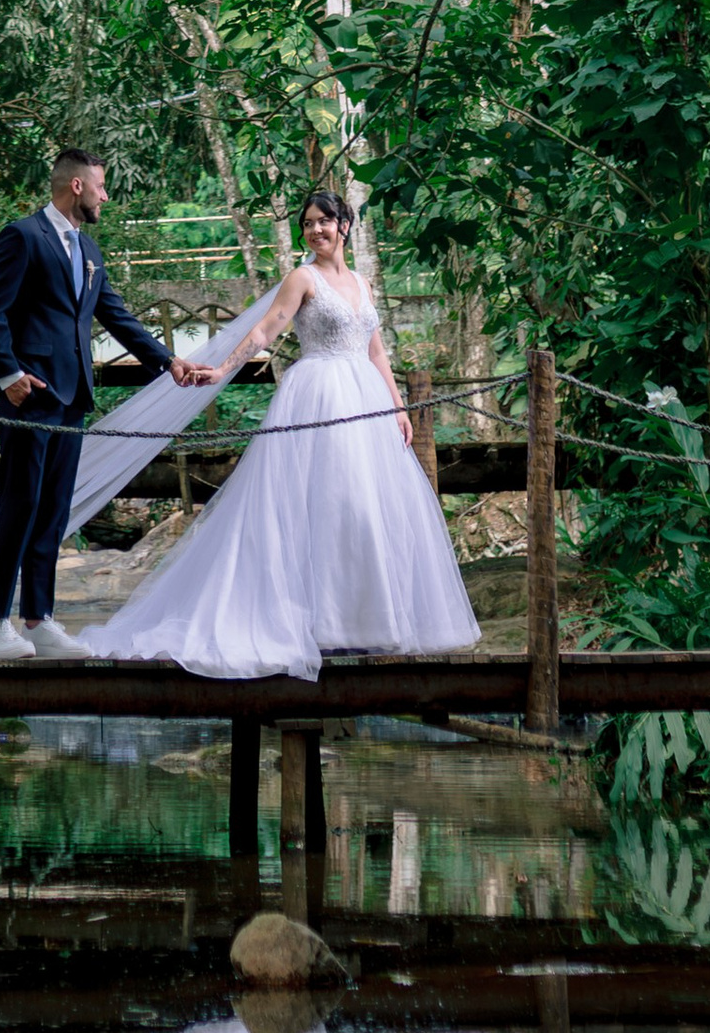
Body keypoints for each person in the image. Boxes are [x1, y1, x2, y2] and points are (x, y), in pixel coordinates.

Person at [84, 182, 479, 678]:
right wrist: (223, 368)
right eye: (309, 223)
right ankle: (318, 624)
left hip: (366, 401)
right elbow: (266, 330)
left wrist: (398, 407)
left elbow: (377, 351)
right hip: (318, 395)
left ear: (345, 226)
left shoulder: (362, 282)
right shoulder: (303, 278)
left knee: (367, 507)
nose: (316, 230)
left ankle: (365, 624)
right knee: (327, 503)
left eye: (324, 222)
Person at [0, 144, 219, 659]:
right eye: (102, 187)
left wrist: (168, 361)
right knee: (20, 505)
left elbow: (116, 315)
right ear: (77, 186)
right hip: (30, 395)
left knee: (54, 511)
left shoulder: (89, 250)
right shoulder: (22, 236)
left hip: (73, 398)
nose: (106, 196)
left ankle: (39, 620)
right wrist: (8, 374)